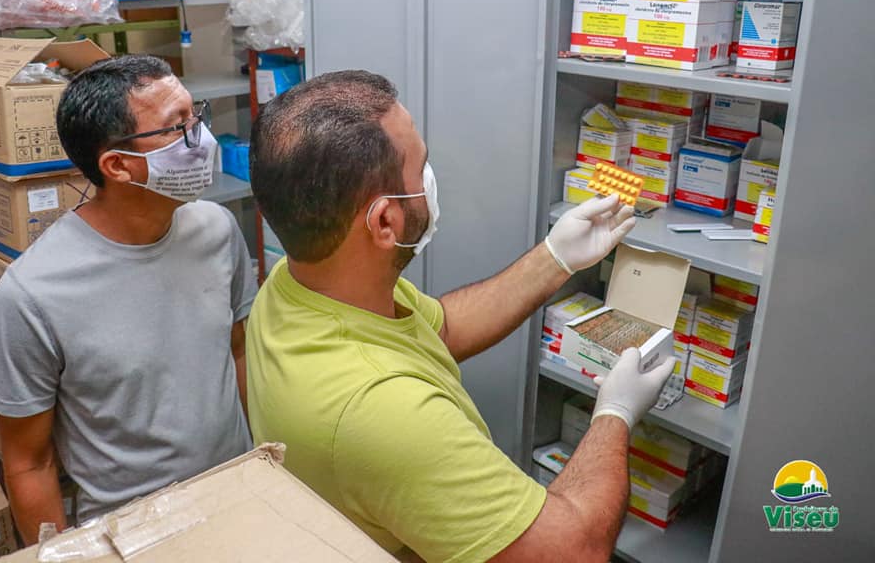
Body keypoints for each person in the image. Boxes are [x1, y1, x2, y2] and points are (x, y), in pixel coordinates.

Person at [246, 70, 675, 562]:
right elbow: (577, 551)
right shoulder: (384, 414)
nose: (431, 178)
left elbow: (441, 328)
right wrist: (615, 413)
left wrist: (555, 257)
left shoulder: (298, 284)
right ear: (385, 221)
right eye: (421, 166)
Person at [0, 55, 256, 544]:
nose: (201, 138)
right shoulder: (31, 296)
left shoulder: (217, 229)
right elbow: (29, 463)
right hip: (133, 533)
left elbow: (238, 352)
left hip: (239, 493)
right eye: (178, 127)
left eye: (196, 116)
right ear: (118, 166)